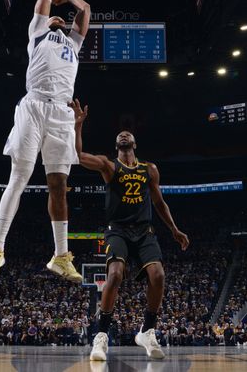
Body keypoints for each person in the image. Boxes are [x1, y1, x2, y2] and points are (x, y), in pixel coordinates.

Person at [0, 0, 91, 282]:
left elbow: (86, 11)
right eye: (51, 19)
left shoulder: (74, 43)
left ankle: (60, 256)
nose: (57, 21)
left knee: (58, 186)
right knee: (19, 177)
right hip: (34, 106)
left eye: (61, 21)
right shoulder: (37, 34)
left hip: (61, 112)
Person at [69, 99, 190, 361]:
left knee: (158, 276)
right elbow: (78, 156)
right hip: (117, 229)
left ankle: (147, 330)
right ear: (117, 145)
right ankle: (101, 336)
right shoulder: (109, 166)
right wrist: (78, 125)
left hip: (144, 231)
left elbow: (159, 202)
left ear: (134, 143)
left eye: (128, 134)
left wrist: (174, 229)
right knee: (114, 275)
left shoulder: (150, 169)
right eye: (120, 134)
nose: (124, 134)